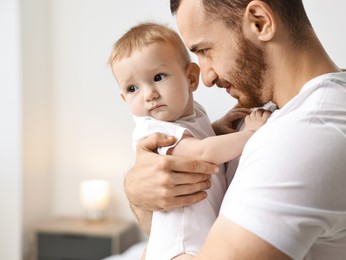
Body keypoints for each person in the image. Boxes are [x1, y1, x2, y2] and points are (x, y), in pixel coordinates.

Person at [124, 1, 346, 259]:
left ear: (260, 22)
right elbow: (189, 231)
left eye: (205, 50)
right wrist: (139, 192)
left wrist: (136, 197)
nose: (205, 77)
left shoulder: (307, 135)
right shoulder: (275, 113)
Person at [108, 22, 270, 259]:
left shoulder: (192, 113)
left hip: (199, 234)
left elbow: (198, 140)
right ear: (124, 98)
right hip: (181, 243)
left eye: (158, 77)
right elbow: (203, 152)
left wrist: (218, 126)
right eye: (133, 88)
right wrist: (248, 135)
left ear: (191, 78)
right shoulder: (153, 129)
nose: (148, 94)